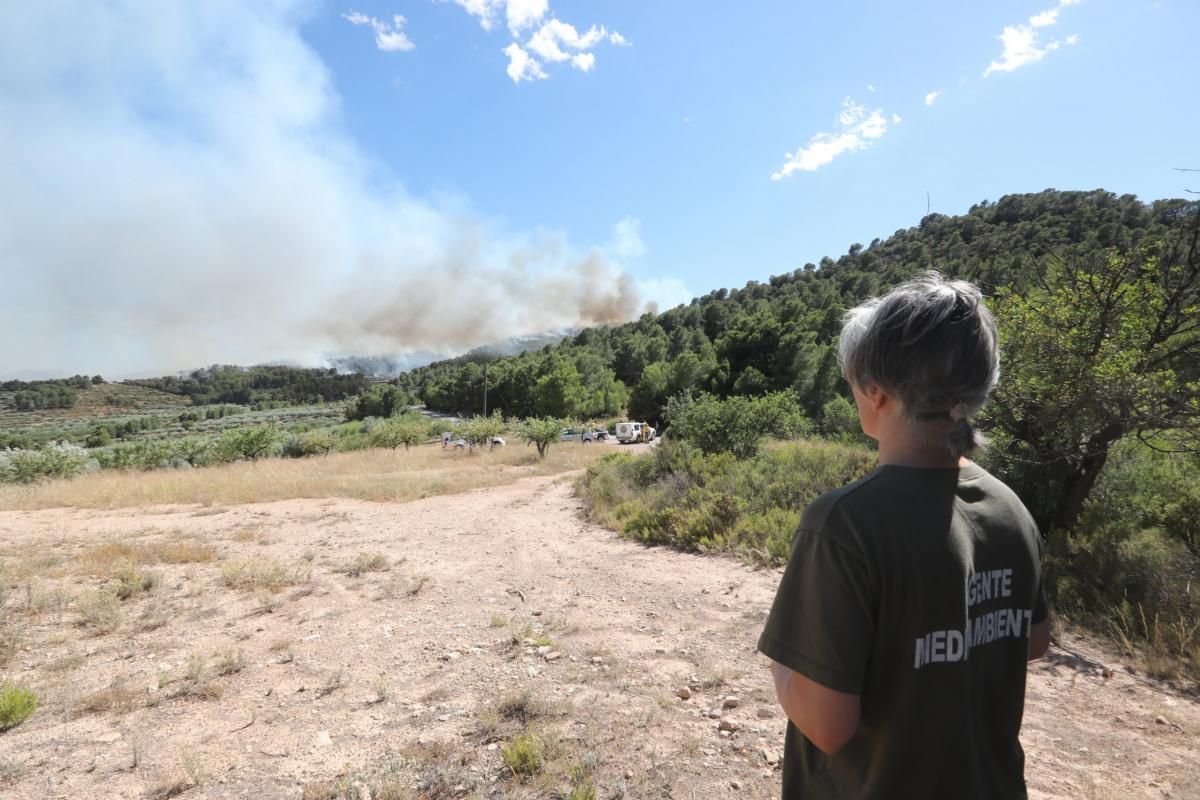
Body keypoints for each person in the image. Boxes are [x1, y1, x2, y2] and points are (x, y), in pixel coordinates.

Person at [758, 272, 1050, 799]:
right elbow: (1031, 641)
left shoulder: (843, 523)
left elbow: (826, 727)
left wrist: (784, 655)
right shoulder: (1012, 510)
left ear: (874, 390)